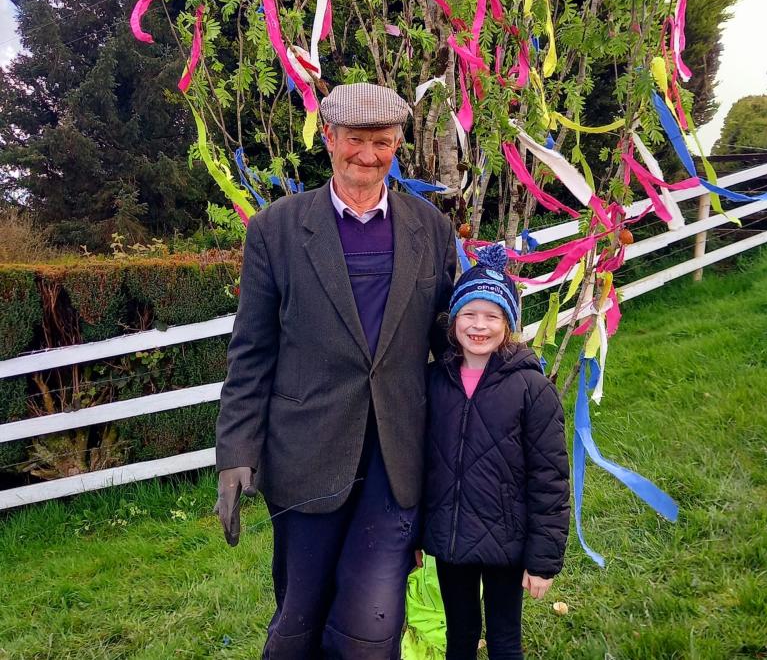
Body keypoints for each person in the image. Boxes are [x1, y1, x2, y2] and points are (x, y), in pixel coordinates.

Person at [214, 82, 457, 659]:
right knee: (301, 612)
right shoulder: (275, 230)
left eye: (382, 142)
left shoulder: (430, 229)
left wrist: (507, 374)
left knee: (372, 623)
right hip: (306, 455)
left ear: (397, 144)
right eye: (355, 140)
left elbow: (448, 345)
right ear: (328, 137)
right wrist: (236, 453)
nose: (368, 156)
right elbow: (252, 352)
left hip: (396, 459)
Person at [420, 244, 570, 660]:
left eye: (492, 316)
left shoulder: (531, 389)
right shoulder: (435, 382)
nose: (479, 326)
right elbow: (421, 465)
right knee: (460, 636)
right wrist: (415, 534)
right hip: (451, 540)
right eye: (469, 314)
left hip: (507, 540)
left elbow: (550, 478)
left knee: (504, 640)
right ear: (453, 321)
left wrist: (543, 561)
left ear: (508, 324)